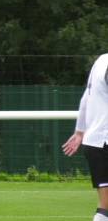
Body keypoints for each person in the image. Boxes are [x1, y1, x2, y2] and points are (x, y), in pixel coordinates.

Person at [62, 54, 108, 221]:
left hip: (95, 142)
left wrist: (80, 131)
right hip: (104, 142)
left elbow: (86, 97)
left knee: (105, 207)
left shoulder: (101, 60)